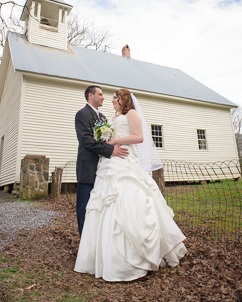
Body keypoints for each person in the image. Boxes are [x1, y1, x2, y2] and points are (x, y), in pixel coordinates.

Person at [74, 88, 187, 282]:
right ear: (91, 96)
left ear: (123, 99)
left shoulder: (132, 114)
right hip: (110, 161)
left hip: (125, 158)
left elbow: (139, 137)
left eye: (114, 97)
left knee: (131, 198)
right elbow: (89, 139)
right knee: (103, 204)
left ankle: (136, 253)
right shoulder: (97, 116)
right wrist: (109, 146)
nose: (110, 100)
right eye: (104, 96)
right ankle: (101, 253)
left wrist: (115, 140)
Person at [75, 85, 129, 236]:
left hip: (104, 169)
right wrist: (111, 150)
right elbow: (85, 140)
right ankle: (84, 244)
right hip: (88, 168)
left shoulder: (104, 118)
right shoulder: (82, 114)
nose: (103, 97)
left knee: (98, 208)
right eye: (100, 94)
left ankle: (97, 242)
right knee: (84, 207)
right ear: (90, 96)